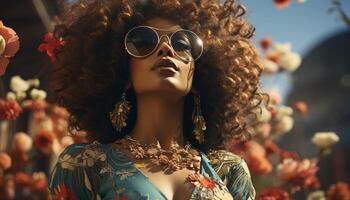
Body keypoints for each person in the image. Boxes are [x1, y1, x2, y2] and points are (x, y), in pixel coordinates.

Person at [48, 0, 266, 199]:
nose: (166, 48)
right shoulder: (85, 164)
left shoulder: (229, 170)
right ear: (122, 69)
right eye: (143, 42)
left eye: (182, 44)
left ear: (198, 70)